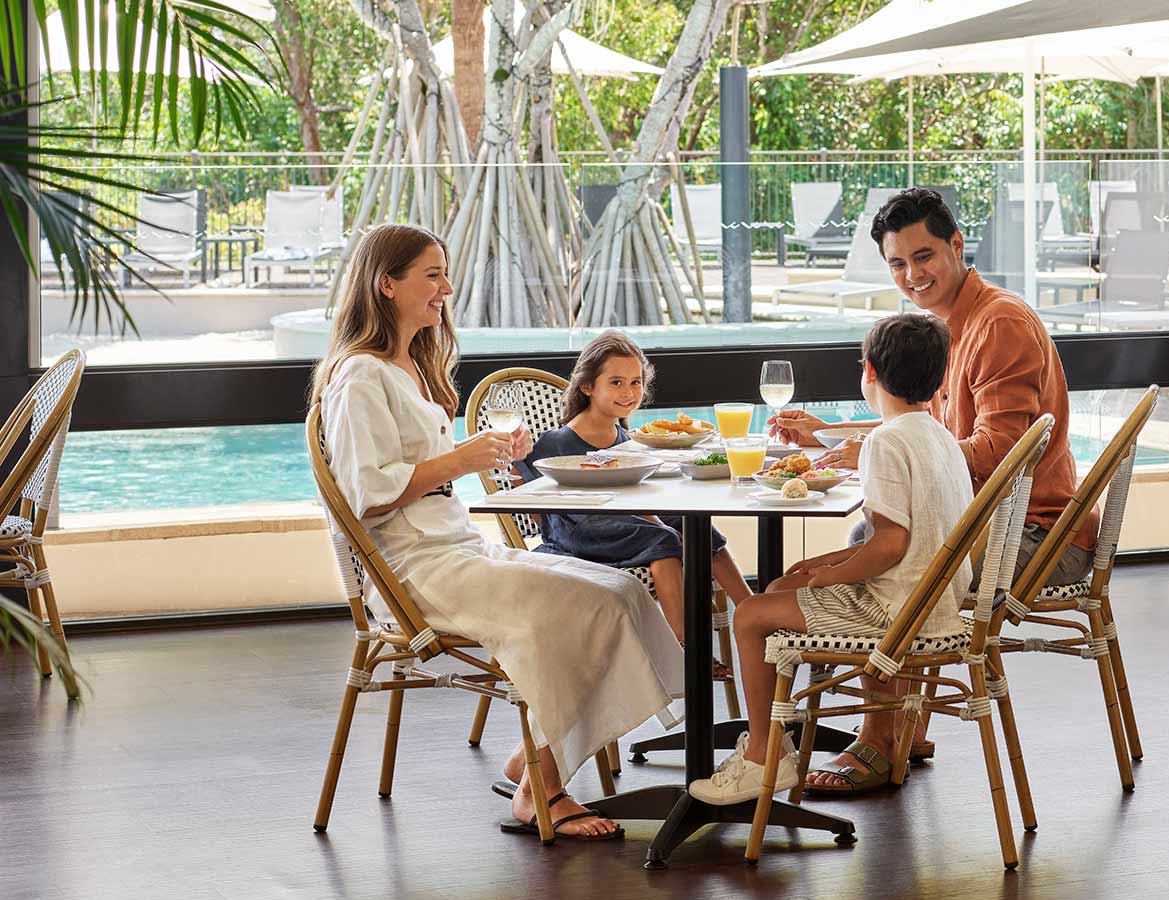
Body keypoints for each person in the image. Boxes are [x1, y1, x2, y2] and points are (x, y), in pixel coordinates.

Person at [312, 224, 684, 841]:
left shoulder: (404, 367)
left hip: (456, 547)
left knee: (619, 592)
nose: (446, 288)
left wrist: (476, 455)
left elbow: (413, 472)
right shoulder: (360, 376)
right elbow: (367, 496)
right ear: (387, 284)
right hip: (415, 570)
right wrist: (464, 458)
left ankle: (535, 760)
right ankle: (543, 791)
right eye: (432, 275)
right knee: (570, 606)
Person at [769, 187, 1095, 786]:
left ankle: (876, 739)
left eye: (923, 257)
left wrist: (871, 452)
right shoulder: (948, 325)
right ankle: (900, 727)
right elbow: (927, 431)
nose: (912, 275)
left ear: (956, 246)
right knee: (888, 535)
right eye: (898, 264)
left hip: (1039, 536)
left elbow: (1001, 454)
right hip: (994, 526)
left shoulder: (999, 325)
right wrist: (829, 434)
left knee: (882, 549)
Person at [688, 313, 973, 804]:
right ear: (940, 377)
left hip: (896, 612)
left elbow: (889, 545)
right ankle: (783, 730)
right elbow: (907, 536)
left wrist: (829, 576)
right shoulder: (939, 435)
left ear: (868, 371)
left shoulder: (885, 442)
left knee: (753, 614)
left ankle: (764, 756)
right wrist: (824, 565)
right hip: (934, 602)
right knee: (780, 587)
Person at [512, 330, 753, 677]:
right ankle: (684, 646)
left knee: (696, 526)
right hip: (580, 532)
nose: (628, 393)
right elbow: (532, 496)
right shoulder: (556, 441)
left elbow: (638, 496)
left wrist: (660, 516)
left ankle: (749, 608)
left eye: (635, 382)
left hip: (626, 526)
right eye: (616, 382)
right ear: (587, 387)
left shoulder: (628, 440)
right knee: (665, 539)